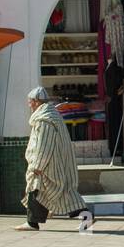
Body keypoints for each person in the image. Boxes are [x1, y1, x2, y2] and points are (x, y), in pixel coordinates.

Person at [15, 86, 89, 232]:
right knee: (57, 194)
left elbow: (44, 144)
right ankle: (33, 222)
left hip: (49, 165)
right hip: (53, 163)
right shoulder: (50, 115)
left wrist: (38, 165)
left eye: (30, 102)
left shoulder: (45, 120)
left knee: (38, 190)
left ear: (36, 102)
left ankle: (32, 222)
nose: (29, 105)